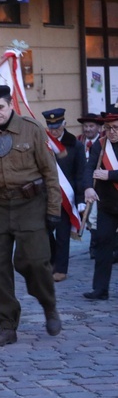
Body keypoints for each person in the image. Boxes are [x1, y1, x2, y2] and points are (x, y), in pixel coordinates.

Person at [0, 85, 62, 347]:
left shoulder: (31, 129)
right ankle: (7, 325)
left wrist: (53, 211)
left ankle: (48, 304)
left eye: (0, 107)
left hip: (30, 204)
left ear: (11, 105)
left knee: (34, 262)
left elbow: (50, 173)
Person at [42, 108, 85, 282]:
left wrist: (81, 200)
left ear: (64, 124)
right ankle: (52, 260)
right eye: (51, 127)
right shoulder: (43, 143)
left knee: (62, 234)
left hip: (66, 197)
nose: (54, 130)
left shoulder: (75, 144)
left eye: (58, 126)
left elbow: (80, 174)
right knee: (44, 231)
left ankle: (61, 269)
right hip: (45, 196)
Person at [83, 112, 118, 300]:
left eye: (115, 128)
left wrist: (110, 175)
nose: (111, 132)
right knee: (102, 244)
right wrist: (88, 187)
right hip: (107, 205)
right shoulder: (101, 144)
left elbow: (105, 174)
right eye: (108, 128)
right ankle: (100, 289)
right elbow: (89, 167)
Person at [77, 113, 103, 259]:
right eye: (85, 126)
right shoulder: (78, 142)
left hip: (99, 186)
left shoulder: (103, 143)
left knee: (94, 218)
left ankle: (95, 247)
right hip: (82, 185)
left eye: (91, 126)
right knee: (86, 218)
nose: (88, 129)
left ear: (98, 128)